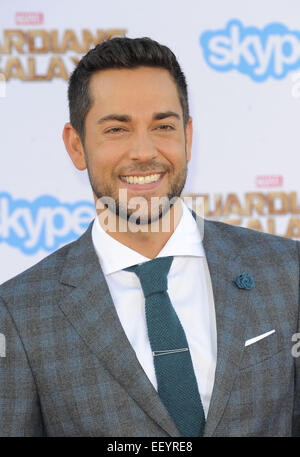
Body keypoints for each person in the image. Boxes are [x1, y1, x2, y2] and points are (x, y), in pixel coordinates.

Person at [0, 36, 299, 437]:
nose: (144, 151)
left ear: (188, 137)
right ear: (76, 146)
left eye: (163, 126)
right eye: (117, 129)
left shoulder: (287, 272)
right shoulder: (21, 313)